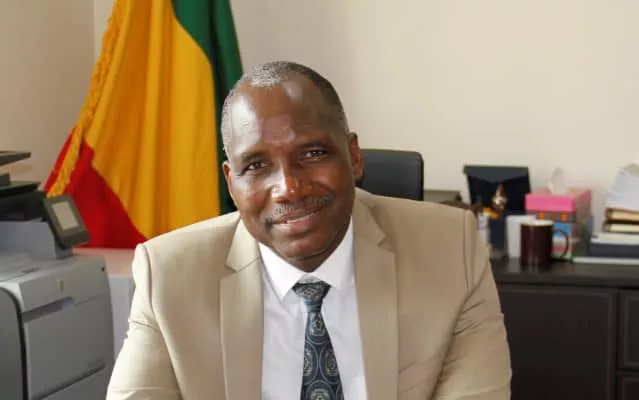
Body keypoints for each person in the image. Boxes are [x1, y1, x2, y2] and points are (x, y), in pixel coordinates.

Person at [106, 61, 511, 400]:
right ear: (231, 183)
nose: (289, 188)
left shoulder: (449, 250)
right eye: (256, 166)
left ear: (353, 156)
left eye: (312, 154)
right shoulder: (170, 275)